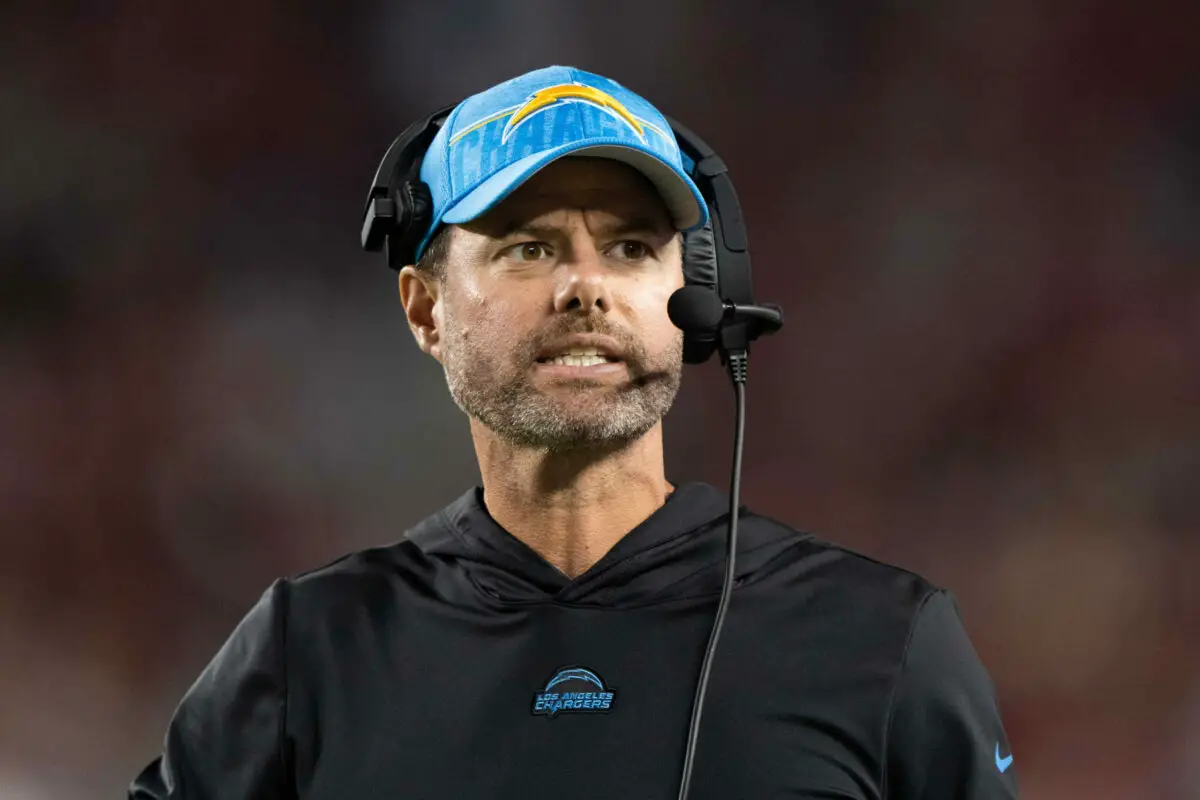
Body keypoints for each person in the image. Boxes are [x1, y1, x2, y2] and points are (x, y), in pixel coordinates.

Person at [130, 65, 1019, 799]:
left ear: (696, 300)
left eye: (632, 247)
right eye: (530, 246)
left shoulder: (882, 638)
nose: (586, 286)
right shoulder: (308, 649)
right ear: (424, 306)